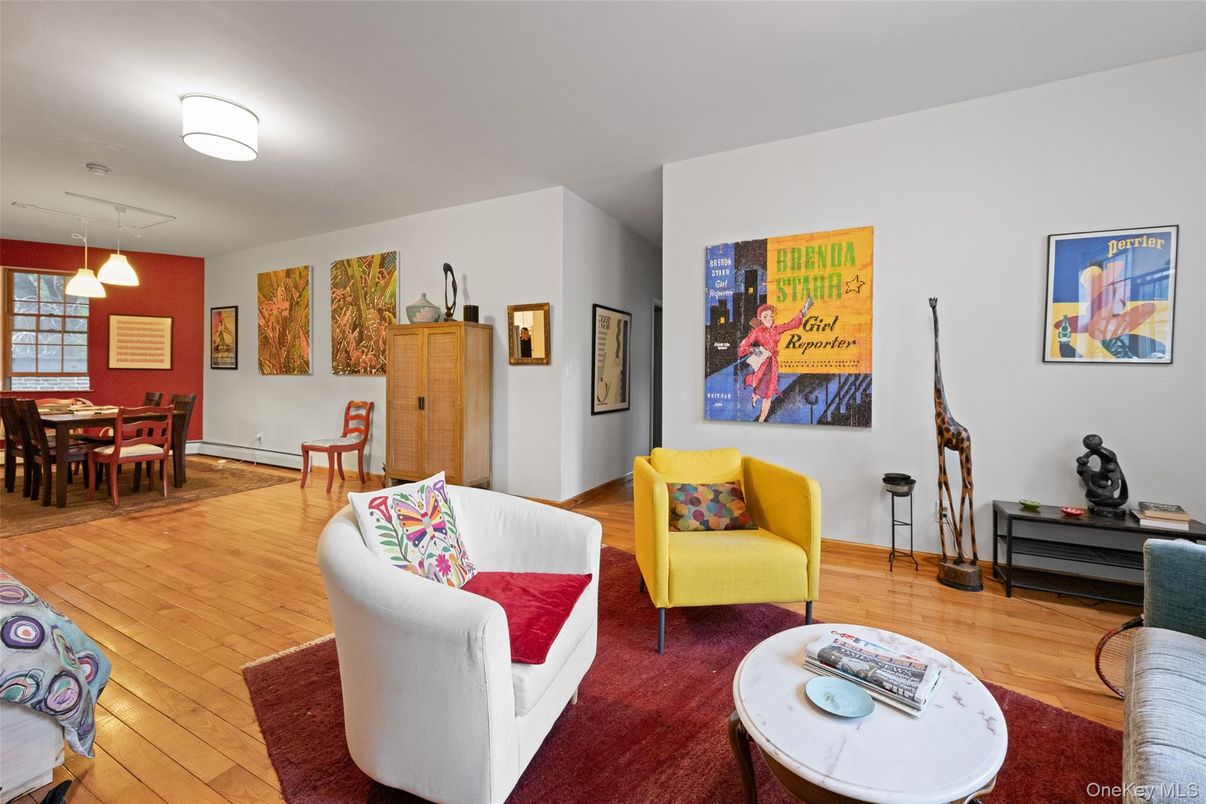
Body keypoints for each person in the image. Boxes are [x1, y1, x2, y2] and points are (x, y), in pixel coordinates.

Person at [737, 296, 813, 422]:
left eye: (771, 316)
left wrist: (805, 309)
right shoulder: (757, 332)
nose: (769, 319)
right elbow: (742, 348)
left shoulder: (776, 329)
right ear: (760, 318)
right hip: (762, 362)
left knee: (769, 392)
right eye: (765, 316)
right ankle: (755, 395)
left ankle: (761, 419)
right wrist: (753, 349)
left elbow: (792, 324)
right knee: (760, 385)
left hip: (773, 364)